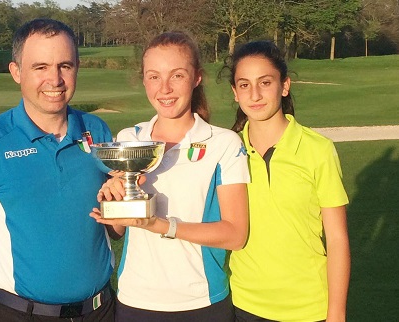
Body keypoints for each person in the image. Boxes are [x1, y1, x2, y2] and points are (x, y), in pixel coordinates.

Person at [0, 18, 115, 322]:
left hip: (101, 310)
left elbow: (112, 227)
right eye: (40, 67)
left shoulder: (96, 130)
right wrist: (2, 280)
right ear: (16, 72)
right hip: (23, 314)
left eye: (65, 65)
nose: (55, 79)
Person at [91, 31, 250, 322]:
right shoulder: (130, 139)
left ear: (196, 77)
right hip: (135, 299)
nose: (164, 88)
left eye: (177, 75)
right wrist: (115, 199)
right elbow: (118, 232)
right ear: (144, 80)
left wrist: (159, 225)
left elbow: (235, 235)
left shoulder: (224, 143)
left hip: (200, 301)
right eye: (154, 77)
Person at [227, 40, 351, 322]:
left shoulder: (318, 149)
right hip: (245, 305)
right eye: (244, 85)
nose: (255, 94)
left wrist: (336, 313)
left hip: (310, 308)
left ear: (284, 85)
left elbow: (337, 239)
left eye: (265, 82)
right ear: (235, 93)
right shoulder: (228, 150)